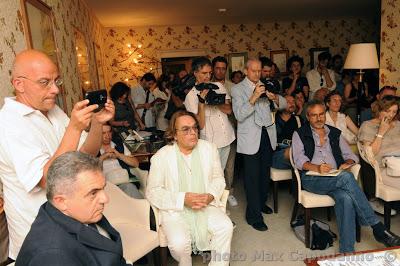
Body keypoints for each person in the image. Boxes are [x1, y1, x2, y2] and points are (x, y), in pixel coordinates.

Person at [0, 49, 115, 260]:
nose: (55, 90)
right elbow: (46, 179)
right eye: (45, 82)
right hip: (40, 239)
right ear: (19, 84)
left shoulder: (53, 111)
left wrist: (97, 122)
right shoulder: (8, 123)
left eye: (56, 81)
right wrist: (74, 128)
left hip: (72, 227)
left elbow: (85, 157)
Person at [292, 100, 400, 253]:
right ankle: (378, 228)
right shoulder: (300, 133)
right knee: (347, 178)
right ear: (308, 117)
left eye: (321, 114)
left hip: (335, 177)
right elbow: (299, 160)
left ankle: (347, 251)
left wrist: (347, 162)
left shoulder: (334, 133)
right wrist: (317, 167)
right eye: (314, 115)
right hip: (312, 178)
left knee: (346, 198)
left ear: (325, 114)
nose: (318, 118)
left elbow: (351, 155)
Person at [146, 111, 233, 266]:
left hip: (205, 204)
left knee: (225, 227)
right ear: (174, 134)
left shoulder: (209, 149)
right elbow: (152, 192)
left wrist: (210, 195)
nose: (193, 133)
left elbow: (218, 178)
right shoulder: (161, 157)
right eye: (186, 129)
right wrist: (182, 199)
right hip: (176, 209)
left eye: (195, 128)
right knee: (180, 244)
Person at [16, 152, 130, 265]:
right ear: (61, 201)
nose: (105, 199)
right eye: (93, 193)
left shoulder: (81, 213)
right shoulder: (53, 255)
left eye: (103, 188)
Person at [231, 58, 286, 231]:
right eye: (253, 71)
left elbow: (284, 104)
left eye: (259, 71)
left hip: (267, 135)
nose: (257, 74)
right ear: (246, 70)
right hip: (250, 138)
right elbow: (239, 115)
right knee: (252, 177)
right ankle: (253, 216)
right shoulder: (237, 89)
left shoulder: (267, 83)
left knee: (264, 174)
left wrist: (275, 97)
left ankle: (261, 203)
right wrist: (254, 97)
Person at [184, 57, 235, 172]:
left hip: (227, 137)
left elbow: (229, 110)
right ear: (195, 73)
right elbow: (200, 125)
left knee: (221, 172)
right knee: (211, 174)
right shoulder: (191, 96)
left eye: (210, 73)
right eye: (204, 73)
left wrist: (215, 101)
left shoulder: (219, 86)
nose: (208, 76)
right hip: (209, 143)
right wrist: (202, 102)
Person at [211, 56, 238, 207]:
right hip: (213, 133)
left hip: (230, 130)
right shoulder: (206, 86)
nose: (220, 71)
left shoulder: (232, 87)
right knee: (214, 167)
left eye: (223, 68)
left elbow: (235, 109)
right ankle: (216, 195)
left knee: (229, 166)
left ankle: (229, 192)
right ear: (213, 69)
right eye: (217, 68)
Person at [359, 96, 400, 196]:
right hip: (384, 169)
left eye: (394, 112)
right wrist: (381, 132)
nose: (391, 115)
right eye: (387, 111)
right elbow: (371, 154)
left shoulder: (398, 124)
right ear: (380, 109)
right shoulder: (367, 125)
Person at [99, 124, 143, 199]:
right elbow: (89, 170)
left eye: (109, 132)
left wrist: (119, 155)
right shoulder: (93, 150)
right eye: (103, 133)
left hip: (124, 180)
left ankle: (142, 208)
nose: (107, 136)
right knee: (128, 188)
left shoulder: (119, 146)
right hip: (107, 185)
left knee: (128, 187)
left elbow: (136, 164)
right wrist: (102, 157)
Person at [109, 82, 145, 151]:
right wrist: (122, 123)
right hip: (121, 132)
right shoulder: (112, 104)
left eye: (126, 93)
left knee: (140, 147)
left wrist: (140, 123)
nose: (126, 95)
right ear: (119, 93)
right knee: (131, 150)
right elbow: (111, 122)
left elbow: (134, 112)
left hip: (131, 130)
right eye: (124, 93)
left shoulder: (128, 100)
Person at [272, 95, 303, 170]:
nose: (291, 103)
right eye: (288, 102)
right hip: (277, 155)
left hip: (297, 154)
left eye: (293, 101)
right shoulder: (272, 119)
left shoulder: (299, 120)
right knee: (293, 152)